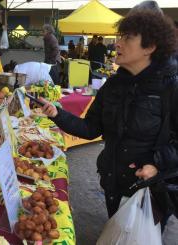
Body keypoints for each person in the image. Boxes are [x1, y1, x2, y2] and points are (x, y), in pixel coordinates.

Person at [39, 9, 178, 225]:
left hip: (151, 188)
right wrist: (58, 114)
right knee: (117, 229)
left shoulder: (170, 87)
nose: (118, 44)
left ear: (149, 47)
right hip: (113, 182)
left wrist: (156, 164)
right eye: (119, 37)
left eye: (127, 38)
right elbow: (91, 128)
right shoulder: (112, 85)